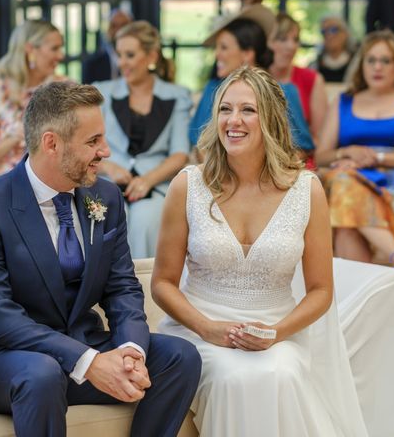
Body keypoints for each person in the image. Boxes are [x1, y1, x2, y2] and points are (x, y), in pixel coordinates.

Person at [0, 81, 202, 437]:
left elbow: (121, 286)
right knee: (42, 373)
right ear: (52, 144)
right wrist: (88, 362)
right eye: (93, 142)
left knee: (180, 357)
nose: (105, 152)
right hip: (5, 358)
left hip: (82, 345)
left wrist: (131, 351)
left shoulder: (104, 196)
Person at [152, 66, 368, 436]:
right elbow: (162, 283)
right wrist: (208, 329)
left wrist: (278, 332)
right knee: (231, 377)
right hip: (200, 331)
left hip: (276, 330)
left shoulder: (306, 190)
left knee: (280, 372)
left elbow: (321, 291)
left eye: (247, 110)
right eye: (225, 109)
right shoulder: (187, 186)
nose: (233, 121)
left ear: (270, 118)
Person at [315, 30, 394, 274]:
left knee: (346, 216)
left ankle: (357, 306)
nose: (378, 67)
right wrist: (346, 151)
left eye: (385, 61)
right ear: (361, 64)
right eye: (371, 60)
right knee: (343, 185)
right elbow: (321, 156)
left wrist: (380, 158)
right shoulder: (344, 101)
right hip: (350, 179)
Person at [93, 21, 191, 259]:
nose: (121, 62)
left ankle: (144, 290)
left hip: (156, 182)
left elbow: (180, 154)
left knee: (146, 221)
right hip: (108, 181)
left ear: (151, 56)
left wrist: (147, 180)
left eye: (130, 55)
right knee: (108, 216)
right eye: (119, 55)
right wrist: (109, 167)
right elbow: (88, 144)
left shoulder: (177, 96)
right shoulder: (100, 93)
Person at [188, 4, 314, 157]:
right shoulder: (212, 90)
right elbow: (200, 144)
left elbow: (302, 148)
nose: (217, 55)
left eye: (224, 48)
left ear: (247, 53)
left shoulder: (285, 92)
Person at [0, 20, 66, 185]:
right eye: (54, 48)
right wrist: (15, 138)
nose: (60, 55)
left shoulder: (65, 89)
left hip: (51, 188)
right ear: (30, 49)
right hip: (3, 189)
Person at [269, 12, 328, 140]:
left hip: (302, 155)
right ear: (266, 42)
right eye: (282, 39)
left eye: (295, 39)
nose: (291, 46)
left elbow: (320, 138)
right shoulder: (255, 78)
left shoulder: (312, 79)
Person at [82, 8, 133, 84]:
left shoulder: (141, 58)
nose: (119, 30)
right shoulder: (92, 64)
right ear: (107, 30)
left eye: (124, 25)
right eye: (113, 26)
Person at [311, 15, 358, 83]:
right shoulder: (314, 66)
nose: (329, 35)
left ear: (345, 33)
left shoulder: (358, 63)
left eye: (333, 30)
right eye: (324, 31)